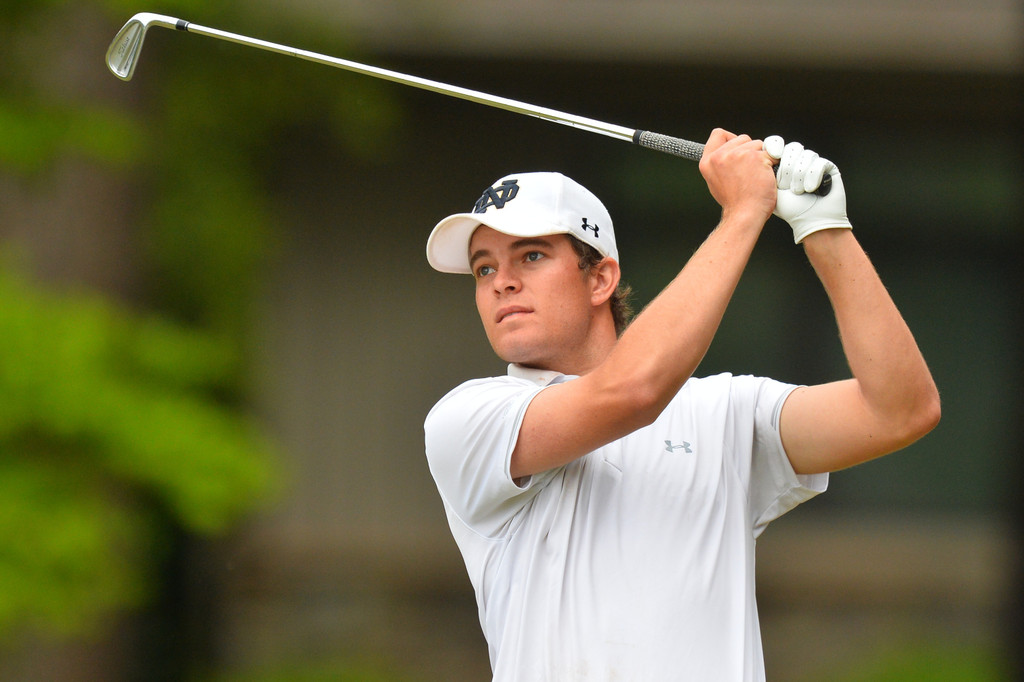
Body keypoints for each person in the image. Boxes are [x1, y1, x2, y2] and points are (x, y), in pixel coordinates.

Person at [422, 129, 940, 681]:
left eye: (530, 255)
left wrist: (824, 229)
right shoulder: (468, 419)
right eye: (484, 268)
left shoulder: (724, 412)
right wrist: (744, 213)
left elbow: (900, 410)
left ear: (600, 278)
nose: (502, 283)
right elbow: (633, 392)